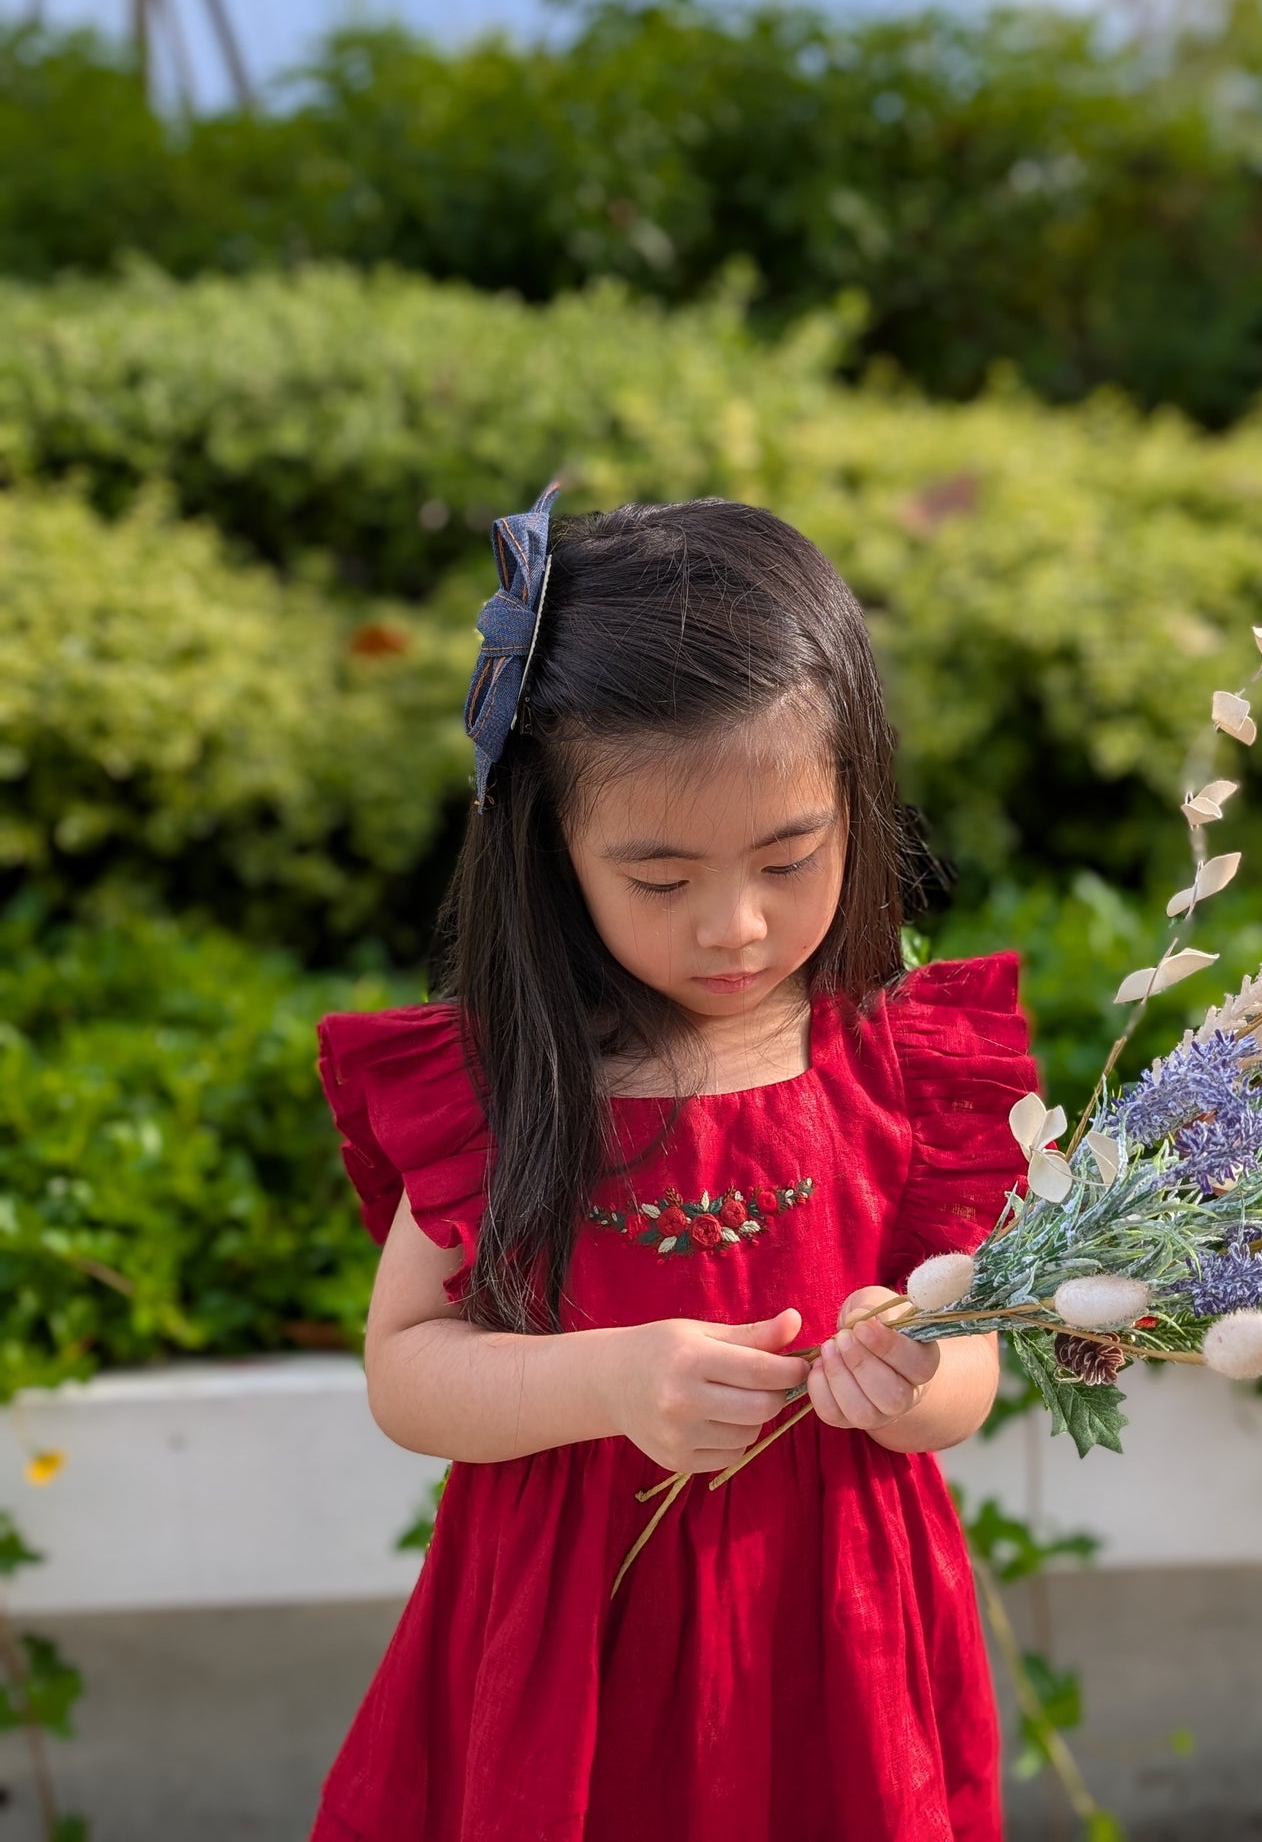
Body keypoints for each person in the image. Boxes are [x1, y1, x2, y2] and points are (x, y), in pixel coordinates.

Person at [309, 489, 1040, 1842]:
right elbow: (407, 1368)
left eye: (788, 858)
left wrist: (915, 1367)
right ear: (553, 849)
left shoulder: (904, 1068)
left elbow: (970, 1377)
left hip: (834, 1632)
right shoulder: (508, 1081)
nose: (735, 925)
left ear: (855, 810)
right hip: (568, 1645)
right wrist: (605, 1379)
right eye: (658, 878)